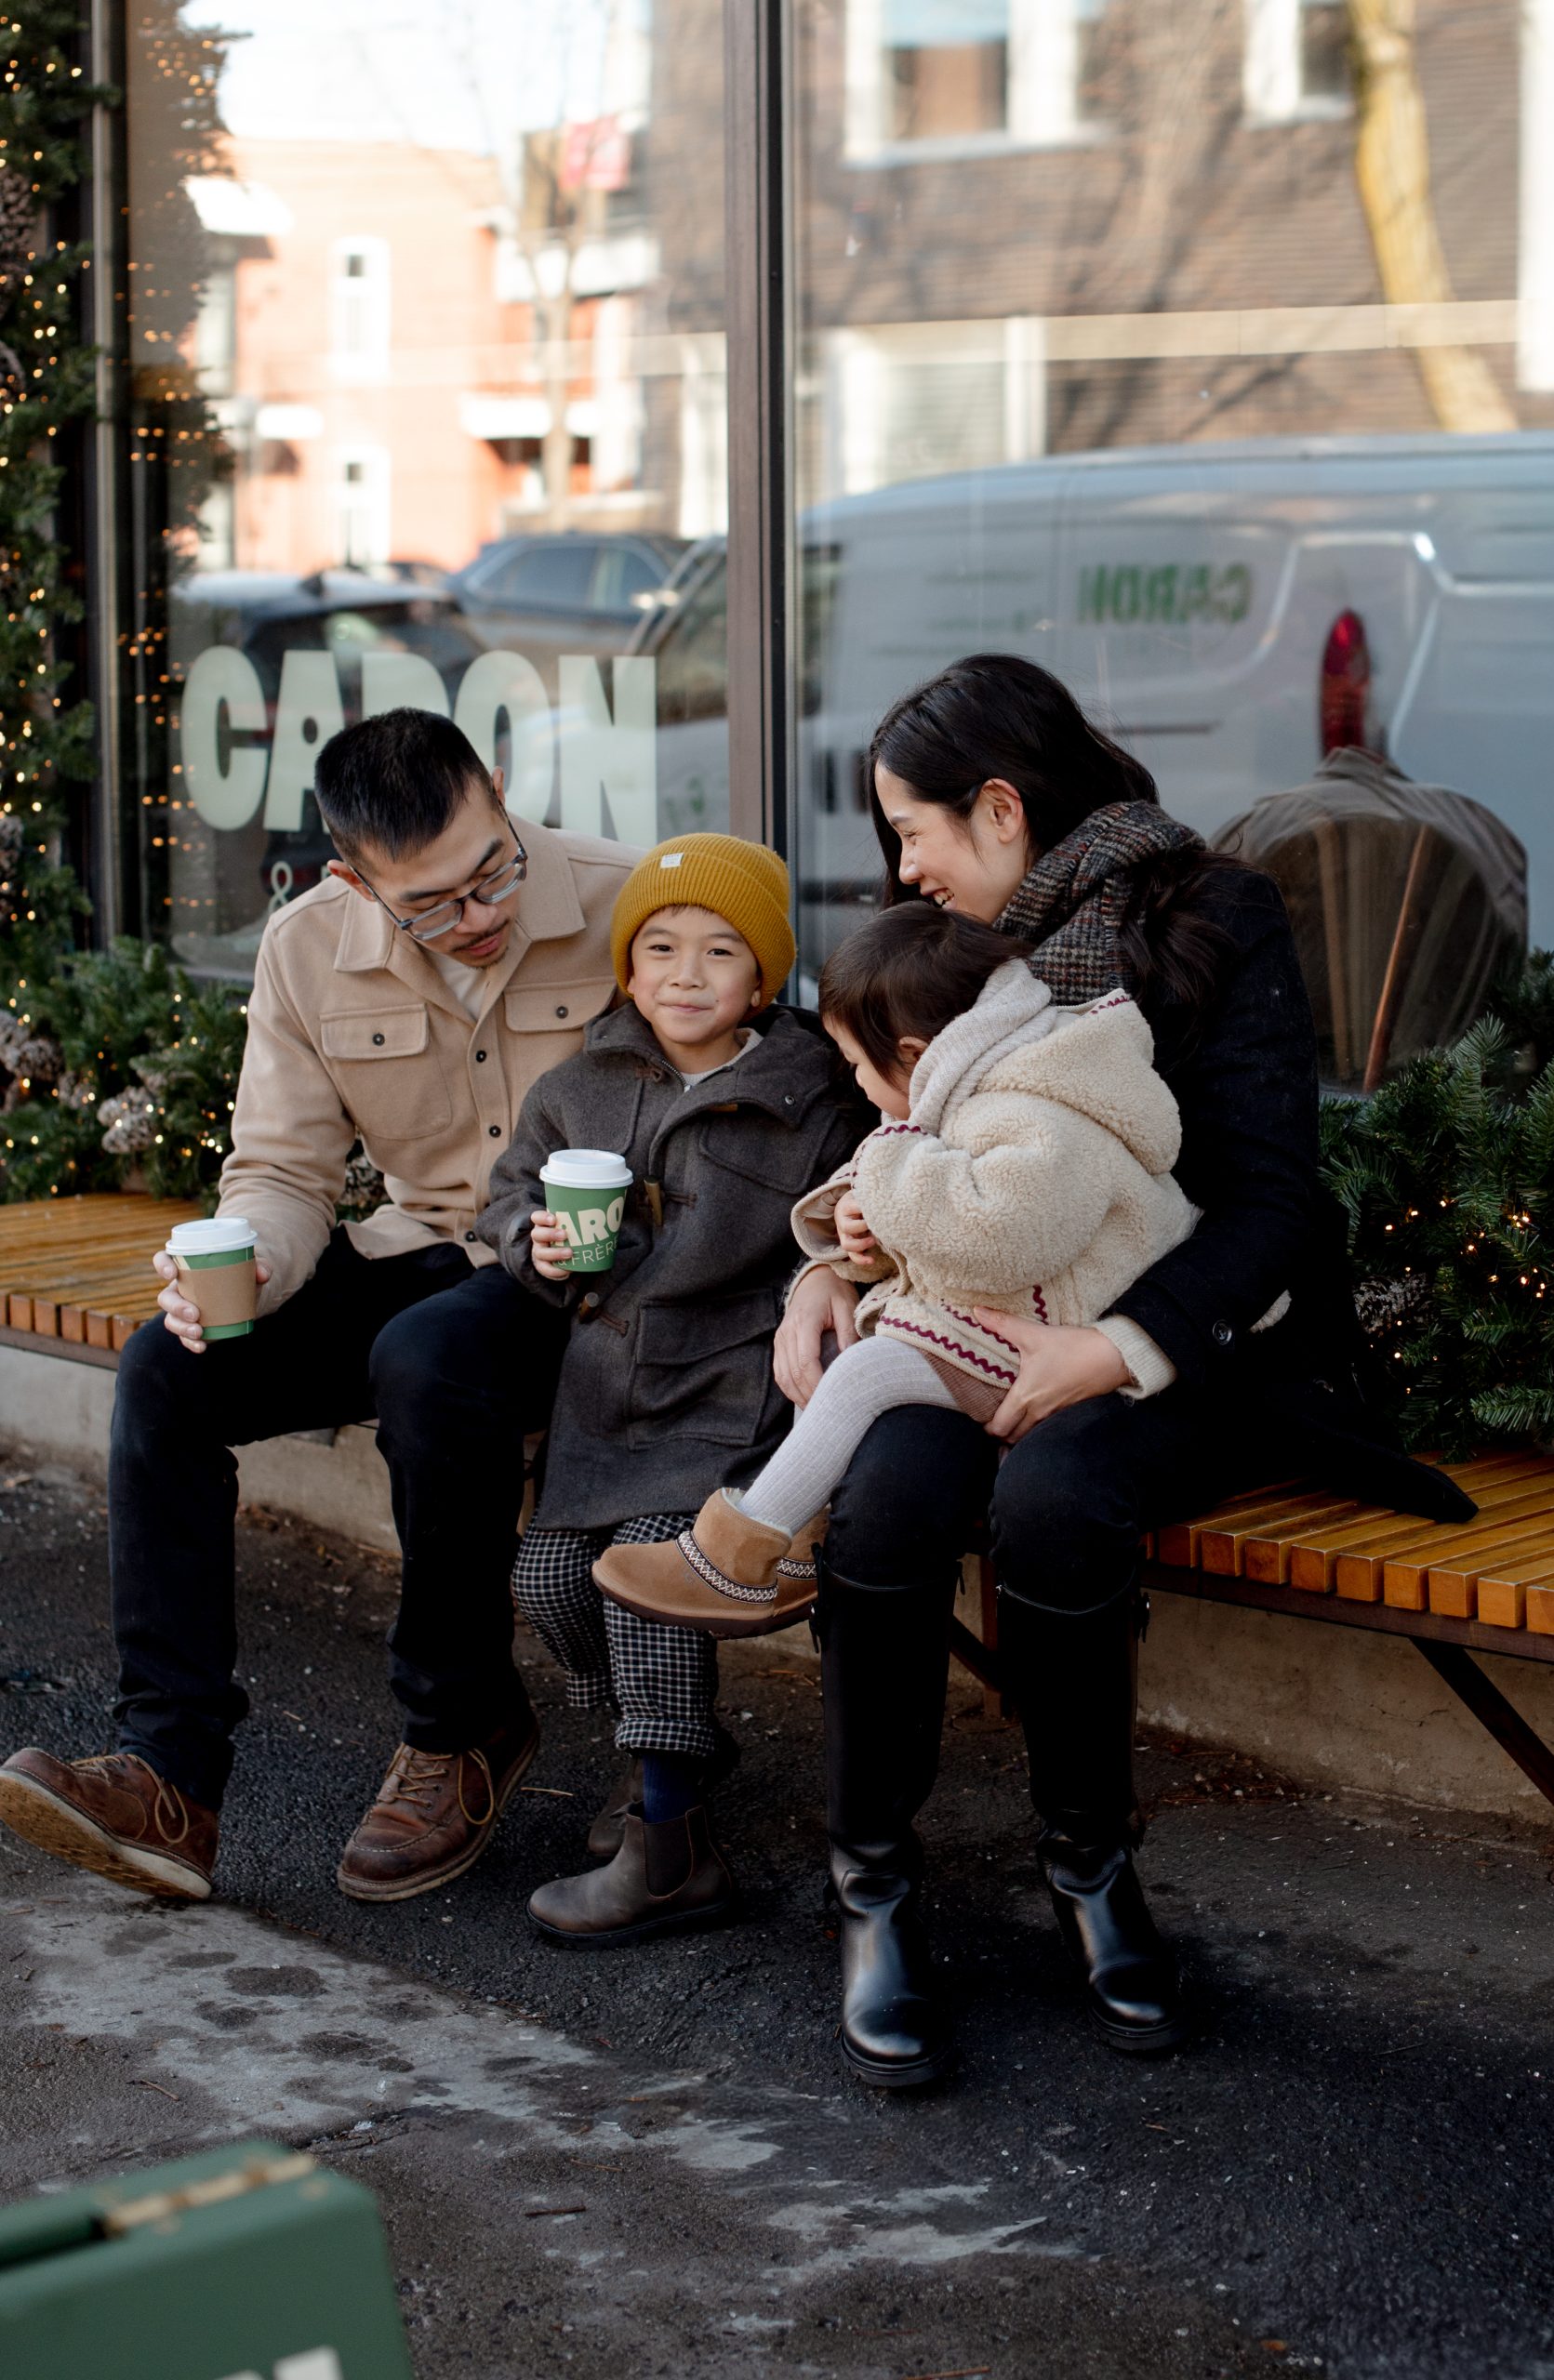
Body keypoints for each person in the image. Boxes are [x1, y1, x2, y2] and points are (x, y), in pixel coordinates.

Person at [770, 654, 1474, 2089]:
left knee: (1055, 1495)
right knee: (891, 1481)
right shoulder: (955, 936)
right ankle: (871, 1886)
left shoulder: (1213, 916)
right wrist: (823, 1267)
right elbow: (877, 1124)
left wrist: (1114, 1348)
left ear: (1001, 808)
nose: (895, 866)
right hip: (971, 1314)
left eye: (912, 829)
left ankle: (1091, 1869)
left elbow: (1271, 1201)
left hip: (1187, 1342)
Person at [0, 707, 634, 1905]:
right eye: (433, 905)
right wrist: (235, 1269)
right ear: (356, 877)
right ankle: (170, 1778)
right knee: (167, 1371)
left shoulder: (625, 899)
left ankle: (459, 1730)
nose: (481, 914)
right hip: (418, 1253)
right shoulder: (307, 947)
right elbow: (285, 1172)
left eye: (490, 869)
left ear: (499, 791)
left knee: (425, 1357)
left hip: (570, 1274)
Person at [599, 898, 1251, 1625]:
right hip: (1032, 1320)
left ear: (912, 1054)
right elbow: (940, 1191)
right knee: (858, 1364)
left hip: (1070, 1336)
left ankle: (739, 1556)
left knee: (865, 1369)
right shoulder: (993, 1078)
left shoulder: (1038, 1108)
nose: (856, 1087)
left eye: (854, 1066)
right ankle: (779, 1547)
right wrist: (858, 1213)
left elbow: (1000, 1234)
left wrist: (883, 1162)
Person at [479, 833, 865, 1944]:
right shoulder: (581, 1082)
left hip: (731, 1396)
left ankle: (672, 1841)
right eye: (658, 948)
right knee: (551, 1579)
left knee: (649, 1574)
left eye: (719, 951)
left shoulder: (810, 1092)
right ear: (627, 967)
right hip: (605, 1392)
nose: (684, 975)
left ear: (764, 974)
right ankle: (665, 1744)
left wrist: (825, 1273)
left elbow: (847, 1217)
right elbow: (507, 1196)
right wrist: (532, 1242)